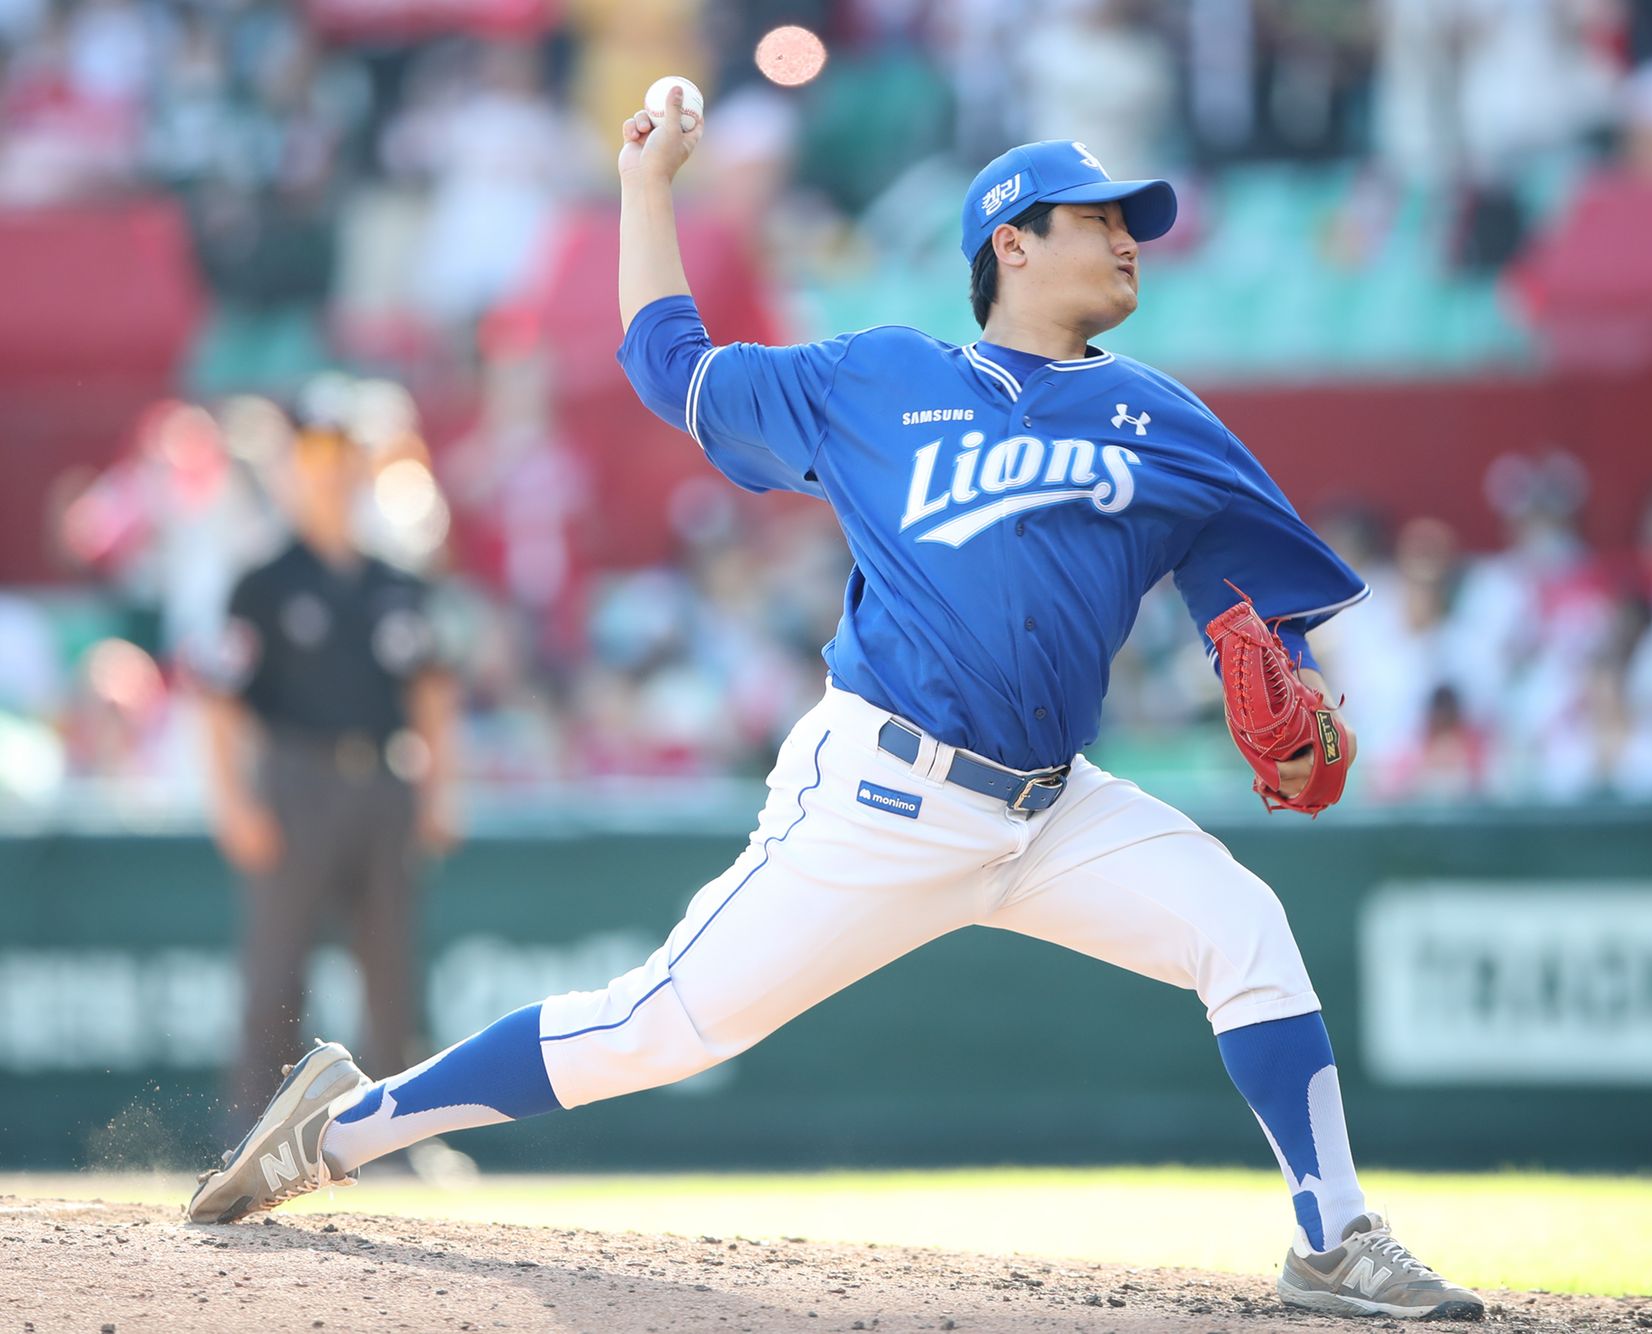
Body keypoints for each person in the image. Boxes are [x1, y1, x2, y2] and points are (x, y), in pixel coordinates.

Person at [187, 95, 1485, 1323]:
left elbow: (1252, 605)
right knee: (654, 1027)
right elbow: (670, 365)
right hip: (884, 792)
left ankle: (1332, 1235)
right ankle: (342, 1125)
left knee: (1242, 924)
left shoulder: (1160, 419)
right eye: (1097, 218)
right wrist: (646, 186)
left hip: (1054, 807)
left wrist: (1289, 685)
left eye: (1129, 221)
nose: (1126, 239)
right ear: (1010, 243)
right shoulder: (882, 376)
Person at [195, 411, 459, 1145]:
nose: (329, 474)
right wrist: (232, 802)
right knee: (278, 967)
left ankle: (398, 1136)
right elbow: (218, 699)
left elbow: (433, 692)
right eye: (313, 458)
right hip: (297, 783)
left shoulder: (396, 581)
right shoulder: (264, 583)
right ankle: (254, 1131)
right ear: (290, 471)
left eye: (341, 457)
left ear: (361, 467)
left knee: (391, 967)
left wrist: (441, 791)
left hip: (385, 779)